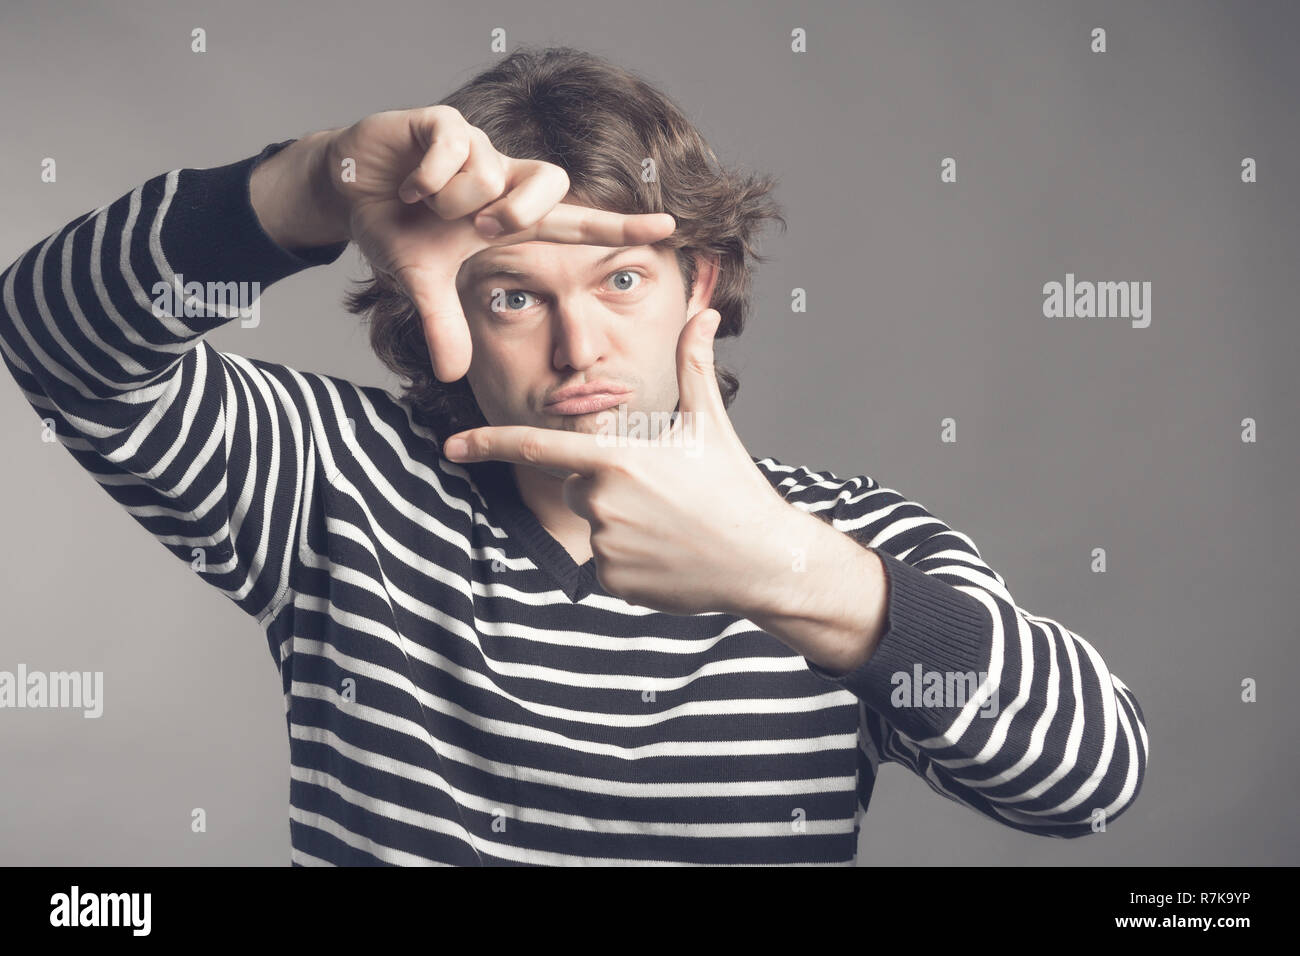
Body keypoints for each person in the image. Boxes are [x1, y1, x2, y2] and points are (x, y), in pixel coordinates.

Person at [0, 46, 1147, 865]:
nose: (578, 343)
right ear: (439, 302)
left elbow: (1089, 782)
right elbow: (55, 339)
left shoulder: (851, 542)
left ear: (698, 282)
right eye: (512, 294)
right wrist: (311, 183)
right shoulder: (336, 482)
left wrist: (784, 574)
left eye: (622, 279)